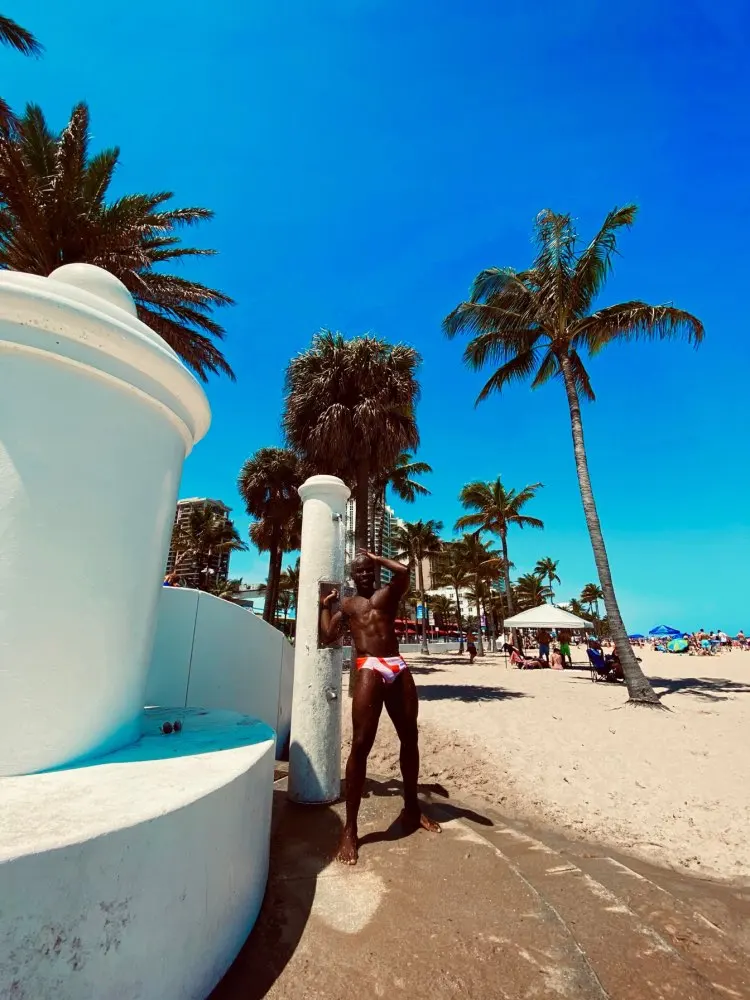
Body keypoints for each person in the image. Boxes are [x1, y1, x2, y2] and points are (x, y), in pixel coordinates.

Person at [320, 548, 440, 866]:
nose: (363, 574)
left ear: (373, 571)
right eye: (358, 571)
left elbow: (403, 571)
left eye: (367, 570)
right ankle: (350, 829)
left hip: (396, 665)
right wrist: (325, 606)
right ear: (352, 576)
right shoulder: (348, 605)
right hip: (369, 666)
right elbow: (329, 634)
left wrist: (375, 557)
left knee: (410, 737)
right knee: (361, 744)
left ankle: (412, 808)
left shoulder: (388, 594)